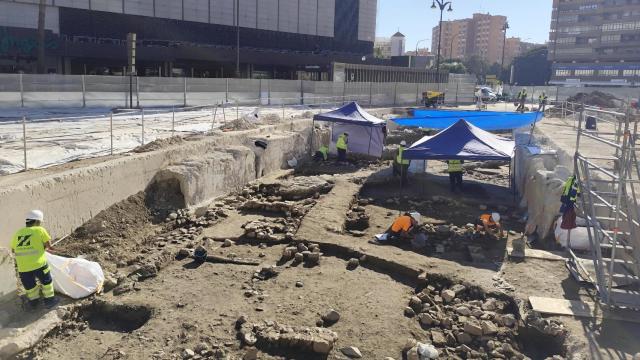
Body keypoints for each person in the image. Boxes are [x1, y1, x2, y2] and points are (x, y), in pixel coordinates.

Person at [10, 210, 59, 309]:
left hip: (23, 267)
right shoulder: (40, 229)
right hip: (39, 264)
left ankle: (34, 302)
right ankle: (50, 300)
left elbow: (13, 249)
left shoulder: (18, 233)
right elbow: (49, 246)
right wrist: (52, 249)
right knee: (46, 281)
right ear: (37, 221)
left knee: (30, 285)